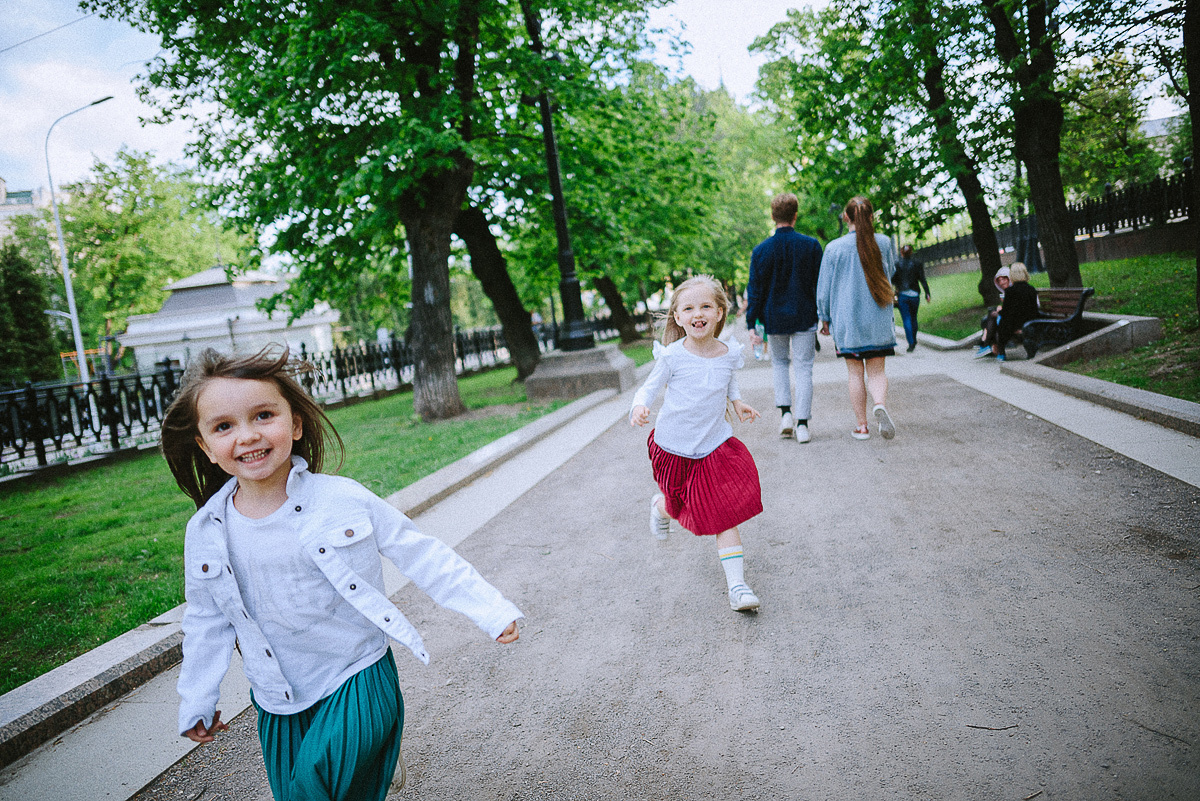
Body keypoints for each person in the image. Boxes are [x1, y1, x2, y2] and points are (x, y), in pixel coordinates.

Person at [160, 347, 522, 801]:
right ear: (205, 446)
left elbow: (421, 553)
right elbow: (205, 621)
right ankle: (373, 767)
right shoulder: (207, 532)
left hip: (357, 675)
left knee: (314, 795)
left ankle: (371, 750)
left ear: (294, 424)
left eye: (264, 415)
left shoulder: (342, 500)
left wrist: (490, 610)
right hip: (279, 700)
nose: (248, 436)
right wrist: (197, 699)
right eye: (224, 426)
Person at [630, 275, 765, 612]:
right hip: (672, 449)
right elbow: (648, 388)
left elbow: (728, 380)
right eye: (688, 308)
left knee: (723, 514)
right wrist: (639, 405)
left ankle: (738, 587)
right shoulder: (672, 356)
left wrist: (737, 403)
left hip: (714, 448)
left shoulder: (728, 353)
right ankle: (660, 507)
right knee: (676, 506)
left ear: (720, 312)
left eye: (706, 306)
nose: (697, 313)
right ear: (677, 317)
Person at [816, 196, 899, 441]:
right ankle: (880, 403)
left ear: (846, 218)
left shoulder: (833, 248)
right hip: (878, 319)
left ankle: (862, 427)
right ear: (871, 217)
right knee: (876, 372)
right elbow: (890, 272)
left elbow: (825, 287)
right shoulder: (883, 243)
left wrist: (824, 317)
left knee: (855, 374)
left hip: (847, 321)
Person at [745, 192, 824, 442]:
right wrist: (824, 316)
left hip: (774, 319)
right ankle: (802, 425)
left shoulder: (761, 251)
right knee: (804, 369)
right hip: (804, 316)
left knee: (779, 364)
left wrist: (751, 323)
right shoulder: (811, 246)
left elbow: (755, 291)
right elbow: (818, 286)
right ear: (795, 216)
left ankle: (785, 415)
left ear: (772, 216)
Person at [975, 262, 1039, 361]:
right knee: (997, 319)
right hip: (1031, 321)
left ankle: (992, 348)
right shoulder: (1031, 289)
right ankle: (988, 345)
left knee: (997, 320)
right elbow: (1033, 310)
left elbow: (1007, 312)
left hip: (1017, 323)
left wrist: (999, 312)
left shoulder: (1010, 291)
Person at [892, 244, 931, 352]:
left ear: (901, 253)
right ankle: (914, 339)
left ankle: (911, 343)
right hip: (915, 295)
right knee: (914, 318)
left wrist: (897, 286)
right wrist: (927, 293)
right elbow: (922, 279)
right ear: (911, 252)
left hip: (903, 296)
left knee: (906, 319)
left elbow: (893, 279)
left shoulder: (897, 265)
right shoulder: (917, 264)